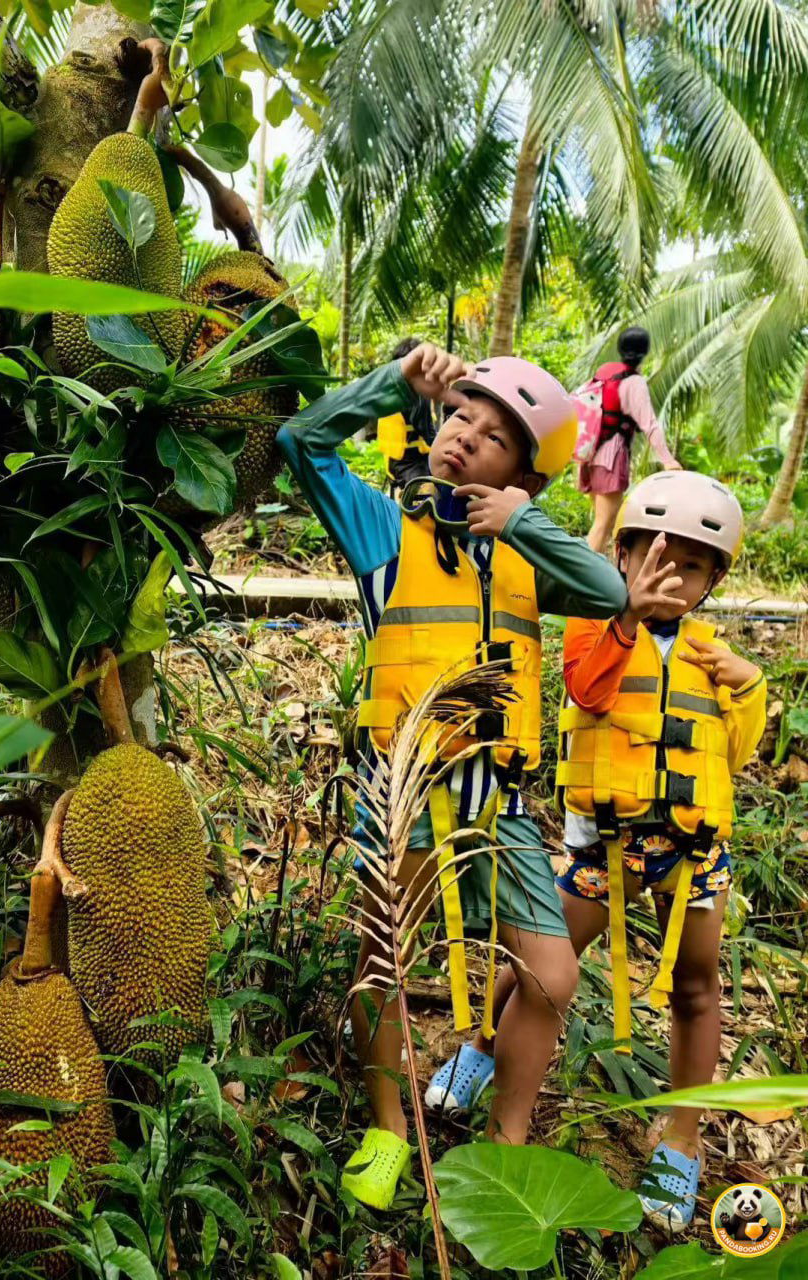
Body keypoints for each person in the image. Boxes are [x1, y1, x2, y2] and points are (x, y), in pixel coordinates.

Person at [277, 343, 634, 1211]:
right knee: (383, 963)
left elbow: (608, 591)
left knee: (551, 976)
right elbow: (300, 442)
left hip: (496, 803)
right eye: (461, 416)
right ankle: (388, 1128)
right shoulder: (380, 530)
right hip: (402, 794)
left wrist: (522, 522)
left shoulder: (522, 554)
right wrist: (394, 384)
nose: (466, 436)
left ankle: (505, 1140)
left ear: (524, 476)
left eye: (495, 436)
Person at [482, 472, 766, 1233]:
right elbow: (589, 690)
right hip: (607, 848)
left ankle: (681, 1139)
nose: (671, 575)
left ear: (713, 581)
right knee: (540, 965)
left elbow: (732, 754)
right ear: (624, 555)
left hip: (692, 853)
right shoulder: (592, 622)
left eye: (692, 565)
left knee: (696, 988)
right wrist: (626, 617)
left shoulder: (711, 654)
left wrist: (748, 689)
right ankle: (482, 1048)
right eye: (655, 556)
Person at [578, 326, 681, 555]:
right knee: (603, 525)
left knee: (603, 524)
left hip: (591, 454)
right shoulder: (634, 383)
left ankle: (594, 570)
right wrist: (668, 460)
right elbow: (649, 424)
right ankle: (578, 576)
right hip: (611, 457)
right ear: (644, 352)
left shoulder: (605, 373)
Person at [376, 337, 437, 493]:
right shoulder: (417, 394)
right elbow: (429, 433)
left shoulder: (388, 388)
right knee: (435, 491)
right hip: (411, 464)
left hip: (392, 461)